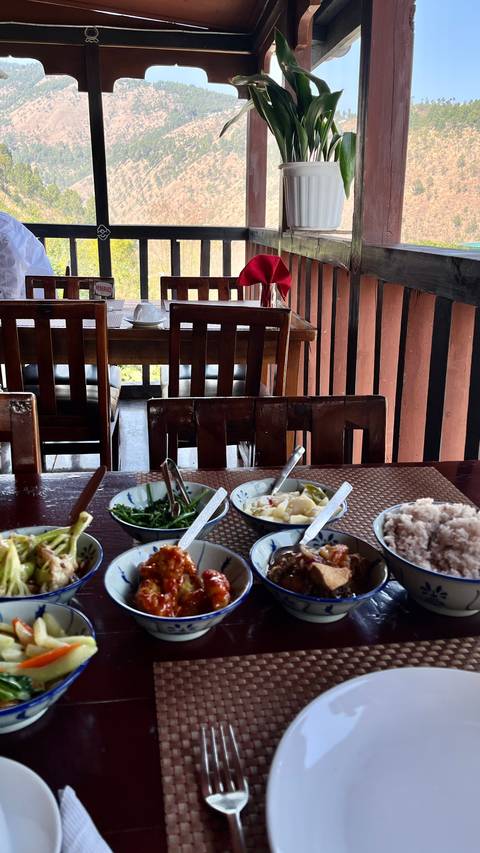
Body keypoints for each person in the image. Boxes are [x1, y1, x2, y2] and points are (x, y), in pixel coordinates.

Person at [0, 211, 53, 299]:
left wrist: (6, 307)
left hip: (31, 298)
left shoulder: (3, 228)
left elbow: (13, 271)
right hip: (21, 291)